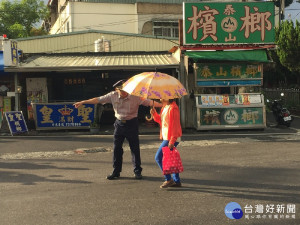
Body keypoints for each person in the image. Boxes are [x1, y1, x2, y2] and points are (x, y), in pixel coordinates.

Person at [74, 80, 162, 180]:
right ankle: (116, 172)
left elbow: (149, 102)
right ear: (117, 90)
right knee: (117, 149)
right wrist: (83, 102)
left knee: (135, 149)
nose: (125, 92)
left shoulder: (135, 96)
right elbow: (98, 100)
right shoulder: (112, 95)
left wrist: (164, 105)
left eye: (126, 89)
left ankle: (137, 171)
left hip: (132, 123)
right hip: (119, 124)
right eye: (122, 90)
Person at [150, 99, 182, 188]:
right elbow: (162, 122)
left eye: (163, 95)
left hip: (171, 137)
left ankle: (168, 179)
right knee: (171, 158)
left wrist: (172, 140)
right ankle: (176, 181)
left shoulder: (173, 108)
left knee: (158, 157)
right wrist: (154, 114)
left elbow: (175, 126)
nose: (161, 98)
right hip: (167, 136)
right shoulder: (165, 107)